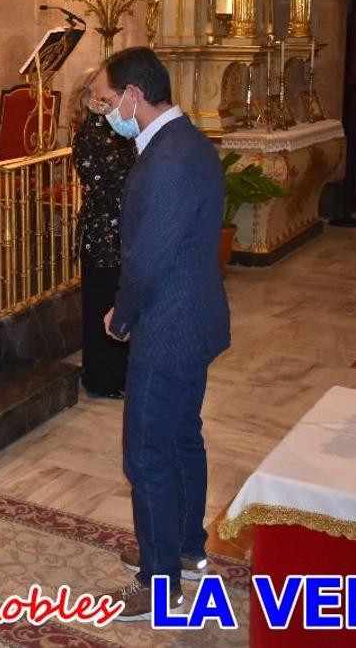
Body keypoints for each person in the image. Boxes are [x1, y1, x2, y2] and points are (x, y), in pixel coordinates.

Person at [92, 48, 229, 620]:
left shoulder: (168, 160)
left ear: (133, 96)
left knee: (147, 451)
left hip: (170, 325)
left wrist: (121, 315)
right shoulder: (187, 143)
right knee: (180, 438)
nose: (104, 112)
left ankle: (158, 583)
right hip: (193, 317)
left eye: (106, 100)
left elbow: (148, 257)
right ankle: (185, 549)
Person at [71, 65, 136, 399]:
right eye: (104, 95)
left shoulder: (118, 132)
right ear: (90, 99)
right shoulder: (89, 134)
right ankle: (101, 378)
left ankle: (121, 374)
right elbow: (103, 182)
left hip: (121, 227)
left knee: (118, 300)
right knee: (101, 303)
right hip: (101, 231)